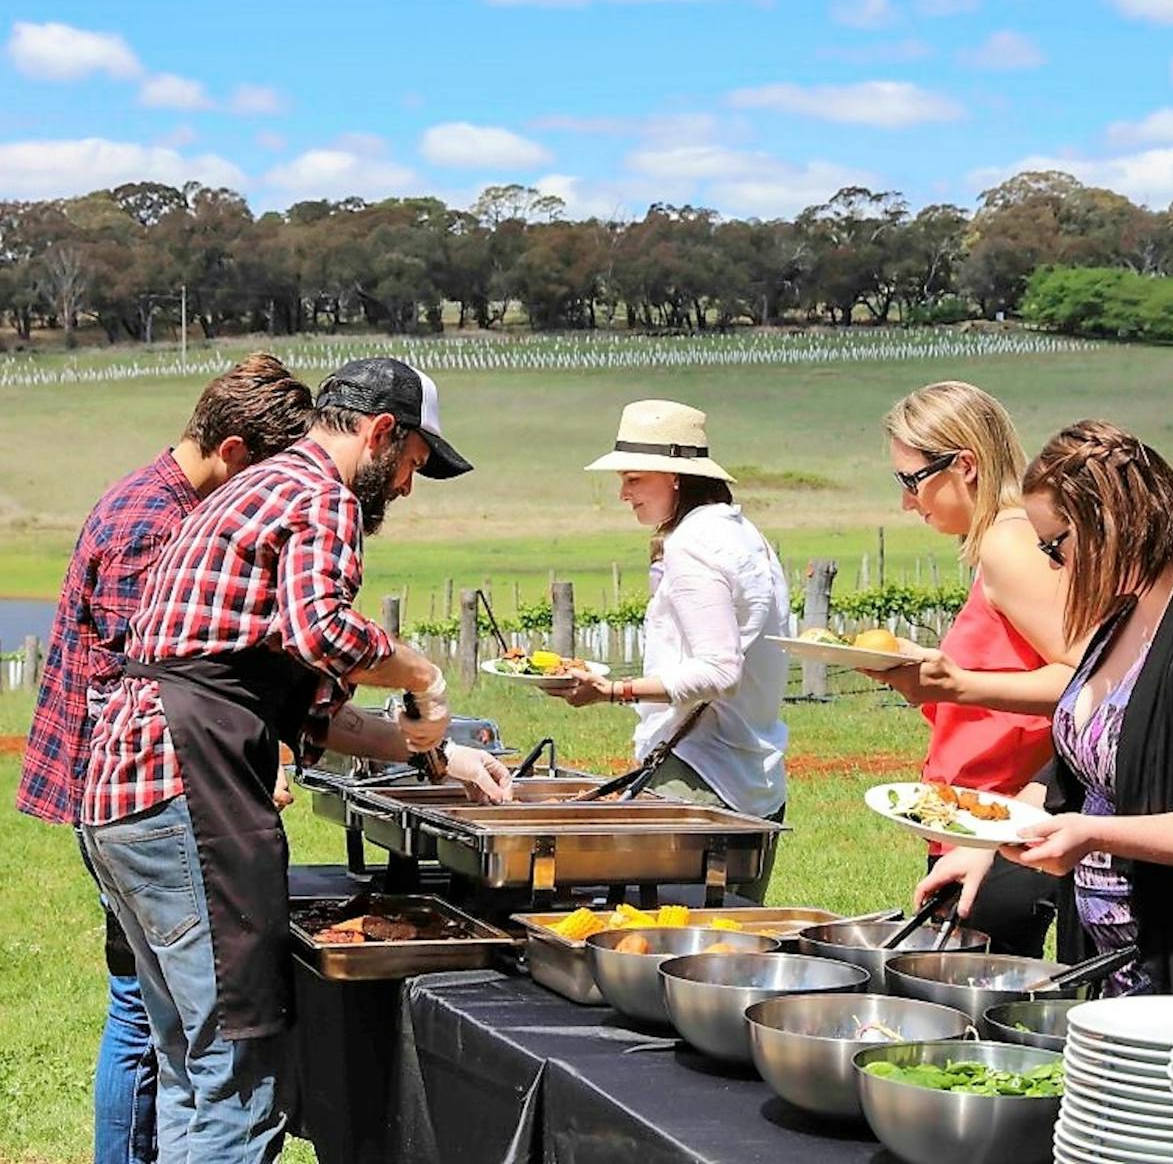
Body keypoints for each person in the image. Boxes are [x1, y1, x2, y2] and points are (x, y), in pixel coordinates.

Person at [78, 357, 513, 1164]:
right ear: (382, 433)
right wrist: (420, 670)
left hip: (123, 786)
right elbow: (320, 631)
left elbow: (302, 697)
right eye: (415, 464)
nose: (409, 488)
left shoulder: (252, 489)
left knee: (191, 1065)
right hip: (186, 786)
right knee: (240, 1077)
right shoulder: (323, 495)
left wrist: (432, 751)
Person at [16, 354, 312, 1164]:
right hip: (141, 790)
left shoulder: (149, 497)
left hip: (112, 794)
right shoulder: (158, 520)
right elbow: (145, 680)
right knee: (149, 1021)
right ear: (239, 453)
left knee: (152, 1017)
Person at [911, 421, 1173, 1000]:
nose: (1053, 565)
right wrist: (984, 844)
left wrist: (1094, 834)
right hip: (1114, 965)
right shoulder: (1129, 609)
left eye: (1056, 545)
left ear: (1110, 523)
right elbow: (1082, 765)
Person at [865, 382, 1076, 955]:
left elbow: (1085, 680)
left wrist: (958, 683)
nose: (909, 502)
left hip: (1008, 817)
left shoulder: (1009, 545)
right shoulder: (1006, 542)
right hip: (981, 815)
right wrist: (922, 684)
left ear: (966, 465)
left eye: (912, 481)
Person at [558, 400, 789, 898]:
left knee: (666, 948)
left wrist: (613, 690)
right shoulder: (744, 535)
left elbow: (718, 672)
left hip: (702, 777)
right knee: (728, 950)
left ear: (676, 478)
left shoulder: (692, 546)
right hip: (756, 779)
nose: (623, 494)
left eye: (635, 479)